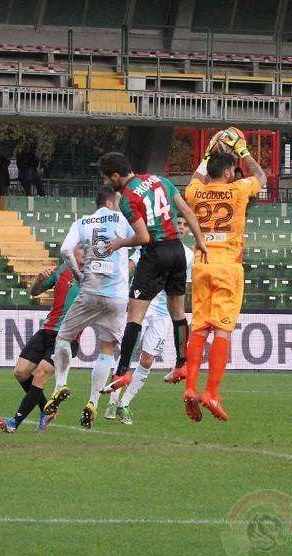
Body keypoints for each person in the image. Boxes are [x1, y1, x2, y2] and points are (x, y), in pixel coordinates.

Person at [98, 149, 208, 394]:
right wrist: (199, 242)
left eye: (107, 178)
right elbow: (188, 212)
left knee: (134, 317)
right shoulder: (162, 180)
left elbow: (143, 237)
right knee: (178, 313)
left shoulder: (127, 198)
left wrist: (119, 243)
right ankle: (182, 364)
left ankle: (122, 372)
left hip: (155, 254)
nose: (107, 183)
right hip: (177, 251)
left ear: (116, 175)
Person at [181, 141, 266, 421]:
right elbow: (261, 178)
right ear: (229, 172)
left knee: (199, 329)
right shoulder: (238, 190)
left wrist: (206, 152)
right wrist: (243, 151)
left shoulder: (196, 193)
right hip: (228, 267)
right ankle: (211, 393)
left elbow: (194, 179)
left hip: (201, 264)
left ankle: (190, 387)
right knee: (222, 332)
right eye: (234, 169)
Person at [42, 188, 135, 430]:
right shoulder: (123, 220)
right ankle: (93, 401)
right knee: (107, 349)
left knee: (63, 336)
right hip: (117, 295)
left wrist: (78, 274)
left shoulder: (83, 222)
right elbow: (143, 238)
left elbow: (65, 250)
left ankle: (61, 384)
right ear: (109, 201)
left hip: (91, 289)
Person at [105, 218, 195, 425]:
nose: (181, 226)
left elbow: (184, 289)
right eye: (178, 222)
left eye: (185, 224)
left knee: (147, 360)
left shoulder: (189, 256)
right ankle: (112, 399)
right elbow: (132, 264)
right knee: (127, 352)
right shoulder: (153, 243)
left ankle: (124, 404)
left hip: (163, 314)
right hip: (143, 306)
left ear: (189, 230)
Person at [0, 247, 83, 433]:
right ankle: (46, 410)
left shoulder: (95, 277)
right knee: (20, 373)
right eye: (81, 248)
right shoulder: (62, 270)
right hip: (46, 331)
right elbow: (34, 292)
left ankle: (13, 423)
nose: (84, 252)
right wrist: (39, 280)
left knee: (40, 374)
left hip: (67, 337)